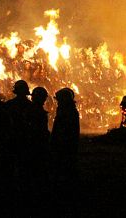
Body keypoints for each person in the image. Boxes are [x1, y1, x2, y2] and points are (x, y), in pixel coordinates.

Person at [51, 87, 80, 215]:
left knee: (64, 169)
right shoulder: (68, 110)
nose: (57, 102)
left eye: (59, 100)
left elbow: (61, 130)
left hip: (65, 146)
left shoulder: (66, 112)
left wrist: (54, 142)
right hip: (68, 146)